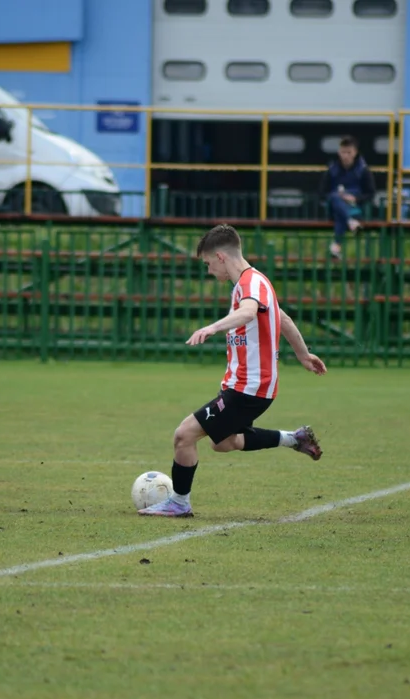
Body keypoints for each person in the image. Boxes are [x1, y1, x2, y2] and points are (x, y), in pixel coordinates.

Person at [139, 225, 326, 518]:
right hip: (244, 387)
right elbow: (283, 318)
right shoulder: (251, 283)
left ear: (220, 256)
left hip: (248, 389)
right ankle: (294, 438)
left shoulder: (251, 283)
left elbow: (250, 312)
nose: (210, 271)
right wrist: (302, 354)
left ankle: (179, 502)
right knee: (224, 442)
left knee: (183, 435)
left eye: (208, 264)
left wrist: (213, 327)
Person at [320, 136, 377, 259]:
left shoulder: (363, 170)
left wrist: (355, 199)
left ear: (355, 152)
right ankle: (351, 222)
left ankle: (336, 246)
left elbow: (371, 193)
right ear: (339, 152)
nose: (346, 156)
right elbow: (322, 193)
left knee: (340, 215)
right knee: (335, 197)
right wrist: (339, 197)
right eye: (343, 152)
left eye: (349, 152)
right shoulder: (332, 170)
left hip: (355, 209)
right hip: (334, 208)